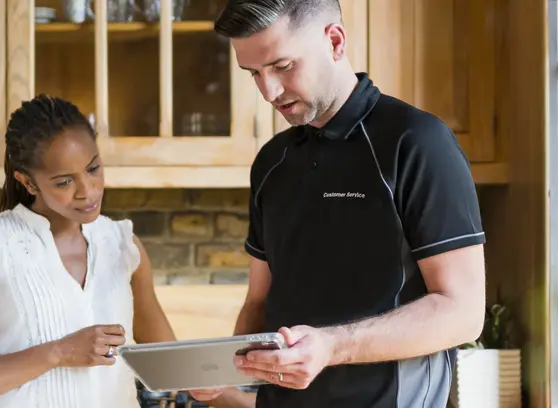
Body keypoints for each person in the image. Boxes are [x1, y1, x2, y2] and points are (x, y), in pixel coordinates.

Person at [191, 1, 488, 407]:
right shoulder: (271, 163)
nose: (268, 92)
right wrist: (226, 370)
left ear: (334, 41)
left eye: (281, 66)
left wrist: (331, 346)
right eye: (254, 74)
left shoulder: (416, 143)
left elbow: (464, 313)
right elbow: (259, 303)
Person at [0, 95, 178, 407]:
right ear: (29, 182)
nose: (87, 191)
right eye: (64, 182)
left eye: (94, 168)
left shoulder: (123, 245)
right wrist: (58, 352)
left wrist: (235, 380)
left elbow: (173, 365)